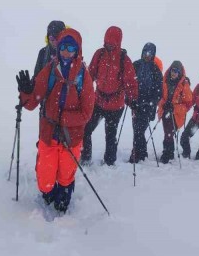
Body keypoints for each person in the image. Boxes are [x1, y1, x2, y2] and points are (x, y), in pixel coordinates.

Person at [16, 28, 95, 213]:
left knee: (66, 175)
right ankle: (48, 192)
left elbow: (87, 112)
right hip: (49, 134)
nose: (67, 52)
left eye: (71, 48)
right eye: (63, 47)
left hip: (71, 137)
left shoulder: (84, 76)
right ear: (58, 48)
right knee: (45, 179)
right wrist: (26, 92)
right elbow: (31, 103)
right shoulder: (50, 70)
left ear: (78, 51)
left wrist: (64, 119)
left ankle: (64, 195)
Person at [81, 26, 138, 166]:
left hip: (115, 105)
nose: (109, 45)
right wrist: (82, 89)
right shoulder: (99, 54)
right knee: (86, 128)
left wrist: (133, 99)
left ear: (118, 42)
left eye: (112, 43)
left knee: (110, 135)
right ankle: (85, 157)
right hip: (98, 101)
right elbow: (90, 74)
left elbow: (130, 82)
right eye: (107, 42)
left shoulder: (124, 59)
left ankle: (109, 161)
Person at [129, 43, 163, 163]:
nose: (147, 55)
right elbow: (129, 83)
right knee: (136, 128)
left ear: (153, 55)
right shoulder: (136, 65)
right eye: (145, 52)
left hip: (148, 106)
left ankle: (136, 154)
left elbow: (159, 91)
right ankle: (142, 152)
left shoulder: (156, 70)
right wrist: (130, 100)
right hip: (136, 104)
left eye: (149, 53)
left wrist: (151, 102)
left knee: (139, 129)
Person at [157, 61, 193, 164]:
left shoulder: (184, 85)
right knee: (167, 133)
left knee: (169, 133)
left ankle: (167, 154)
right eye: (173, 70)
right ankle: (169, 153)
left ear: (180, 73)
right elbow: (161, 97)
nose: (174, 73)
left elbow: (188, 104)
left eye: (176, 71)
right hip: (165, 112)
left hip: (176, 115)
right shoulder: (165, 81)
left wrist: (174, 107)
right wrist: (163, 104)